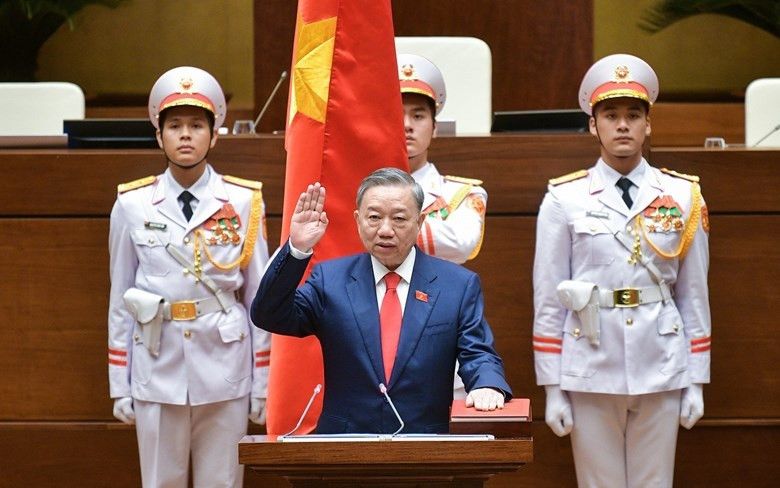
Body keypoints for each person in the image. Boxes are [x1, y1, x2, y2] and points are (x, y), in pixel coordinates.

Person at [532, 54, 711, 487]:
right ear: (593, 125)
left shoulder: (683, 195)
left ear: (649, 124)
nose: (623, 125)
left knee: (655, 483)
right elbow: (550, 296)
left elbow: (693, 292)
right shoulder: (564, 198)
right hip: (592, 359)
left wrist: (697, 378)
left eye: (634, 115)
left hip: (661, 358)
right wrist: (552, 386)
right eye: (610, 115)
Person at [251, 168, 511, 434]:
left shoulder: (457, 285)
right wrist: (297, 248)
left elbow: (478, 353)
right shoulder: (330, 280)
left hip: (425, 445)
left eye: (399, 219)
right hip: (343, 446)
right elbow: (268, 315)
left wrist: (486, 385)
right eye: (374, 217)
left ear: (420, 222)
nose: (385, 230)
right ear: (358, 220)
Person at [107, 66, 271, 487]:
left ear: (215, 134)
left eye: (197, 125)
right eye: (174, 125)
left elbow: (260, 300)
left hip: (225, 364)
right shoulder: (133, 204)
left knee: (222, 481)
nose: (185, 134)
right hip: (156, 364)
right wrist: (119, 383)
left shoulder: (242, 201)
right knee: (161, 481)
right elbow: (120, 297)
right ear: (158, 134)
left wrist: (264, 381)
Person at [398, 53, 487, 399]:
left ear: (434, 127)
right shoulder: (360, 191)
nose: (407, 124)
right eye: (398, 114)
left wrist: (385, 222)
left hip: (440, 342)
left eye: (418, 116)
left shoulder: (461, 193)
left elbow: (463, 243)